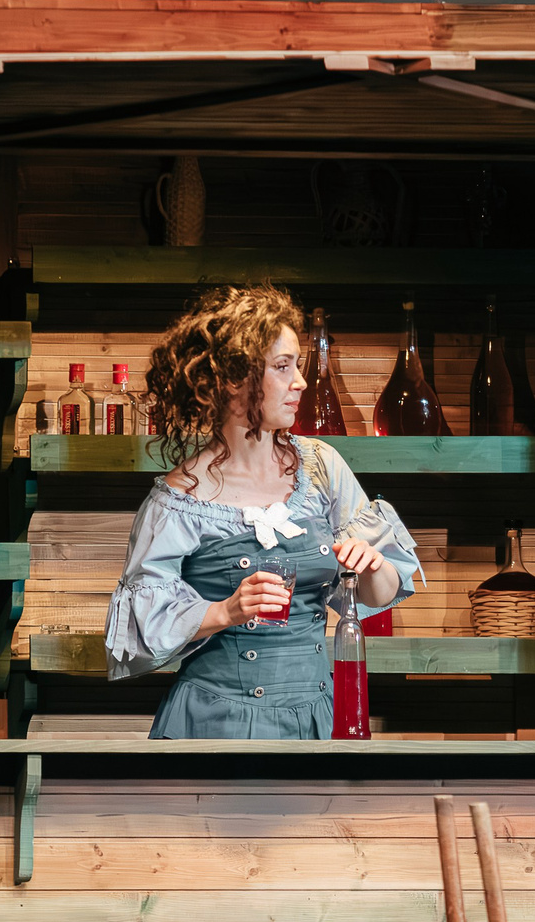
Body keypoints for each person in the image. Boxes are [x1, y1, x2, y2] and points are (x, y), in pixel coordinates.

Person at [107, 284, 421, 738]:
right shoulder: (178, 499)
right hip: (212, 725)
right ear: (231, 380)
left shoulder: (321, 467)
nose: (301, 381)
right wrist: (226, 611)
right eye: (282, 367)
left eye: (297, 364)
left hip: (314, 717)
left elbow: (376, 595)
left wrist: (371, 565)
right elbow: (140, 635)